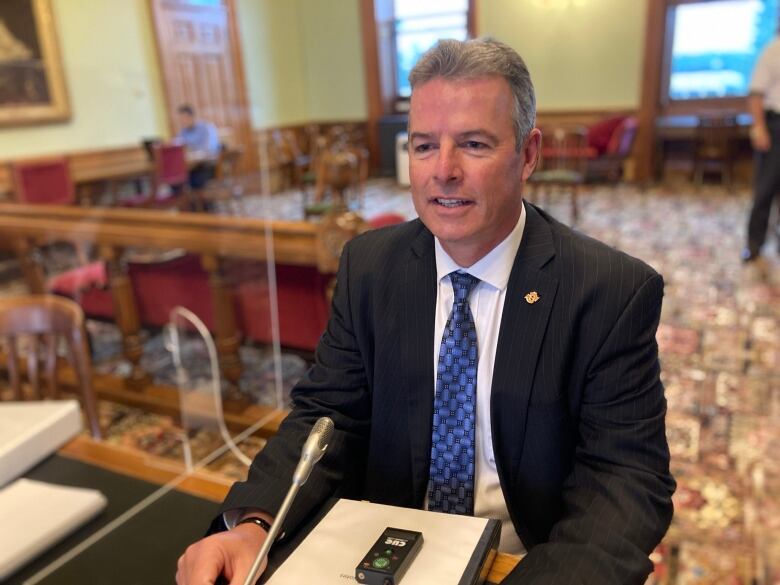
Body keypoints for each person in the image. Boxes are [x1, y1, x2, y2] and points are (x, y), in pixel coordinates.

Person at [177, 38, 674, 585]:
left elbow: (624, 478)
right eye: (423, 146)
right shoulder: (369, 266)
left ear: (528, 154)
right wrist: (254, 523)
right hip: (381, 554)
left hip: (528, 559)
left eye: (474, 144)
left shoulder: (609, 290)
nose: (444, 171)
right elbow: (327, 417)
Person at [744, 32, 780, 262]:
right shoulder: (773, 50)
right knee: (765, 190)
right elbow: (756, 94)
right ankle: (754, 244)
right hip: (775, 127)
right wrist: (759, 129)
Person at [176, 103, 220, 189]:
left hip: (207, 166)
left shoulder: (206, 128)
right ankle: (190, 201)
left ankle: (202, 201)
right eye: (180, 119)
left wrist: (191, 151)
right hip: (192, 167)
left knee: (195, 181)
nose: (182, 121)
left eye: (184, 118)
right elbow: (178, 145)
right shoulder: (183, 132)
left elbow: (209, 150)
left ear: (191, 117)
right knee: (176, 181)